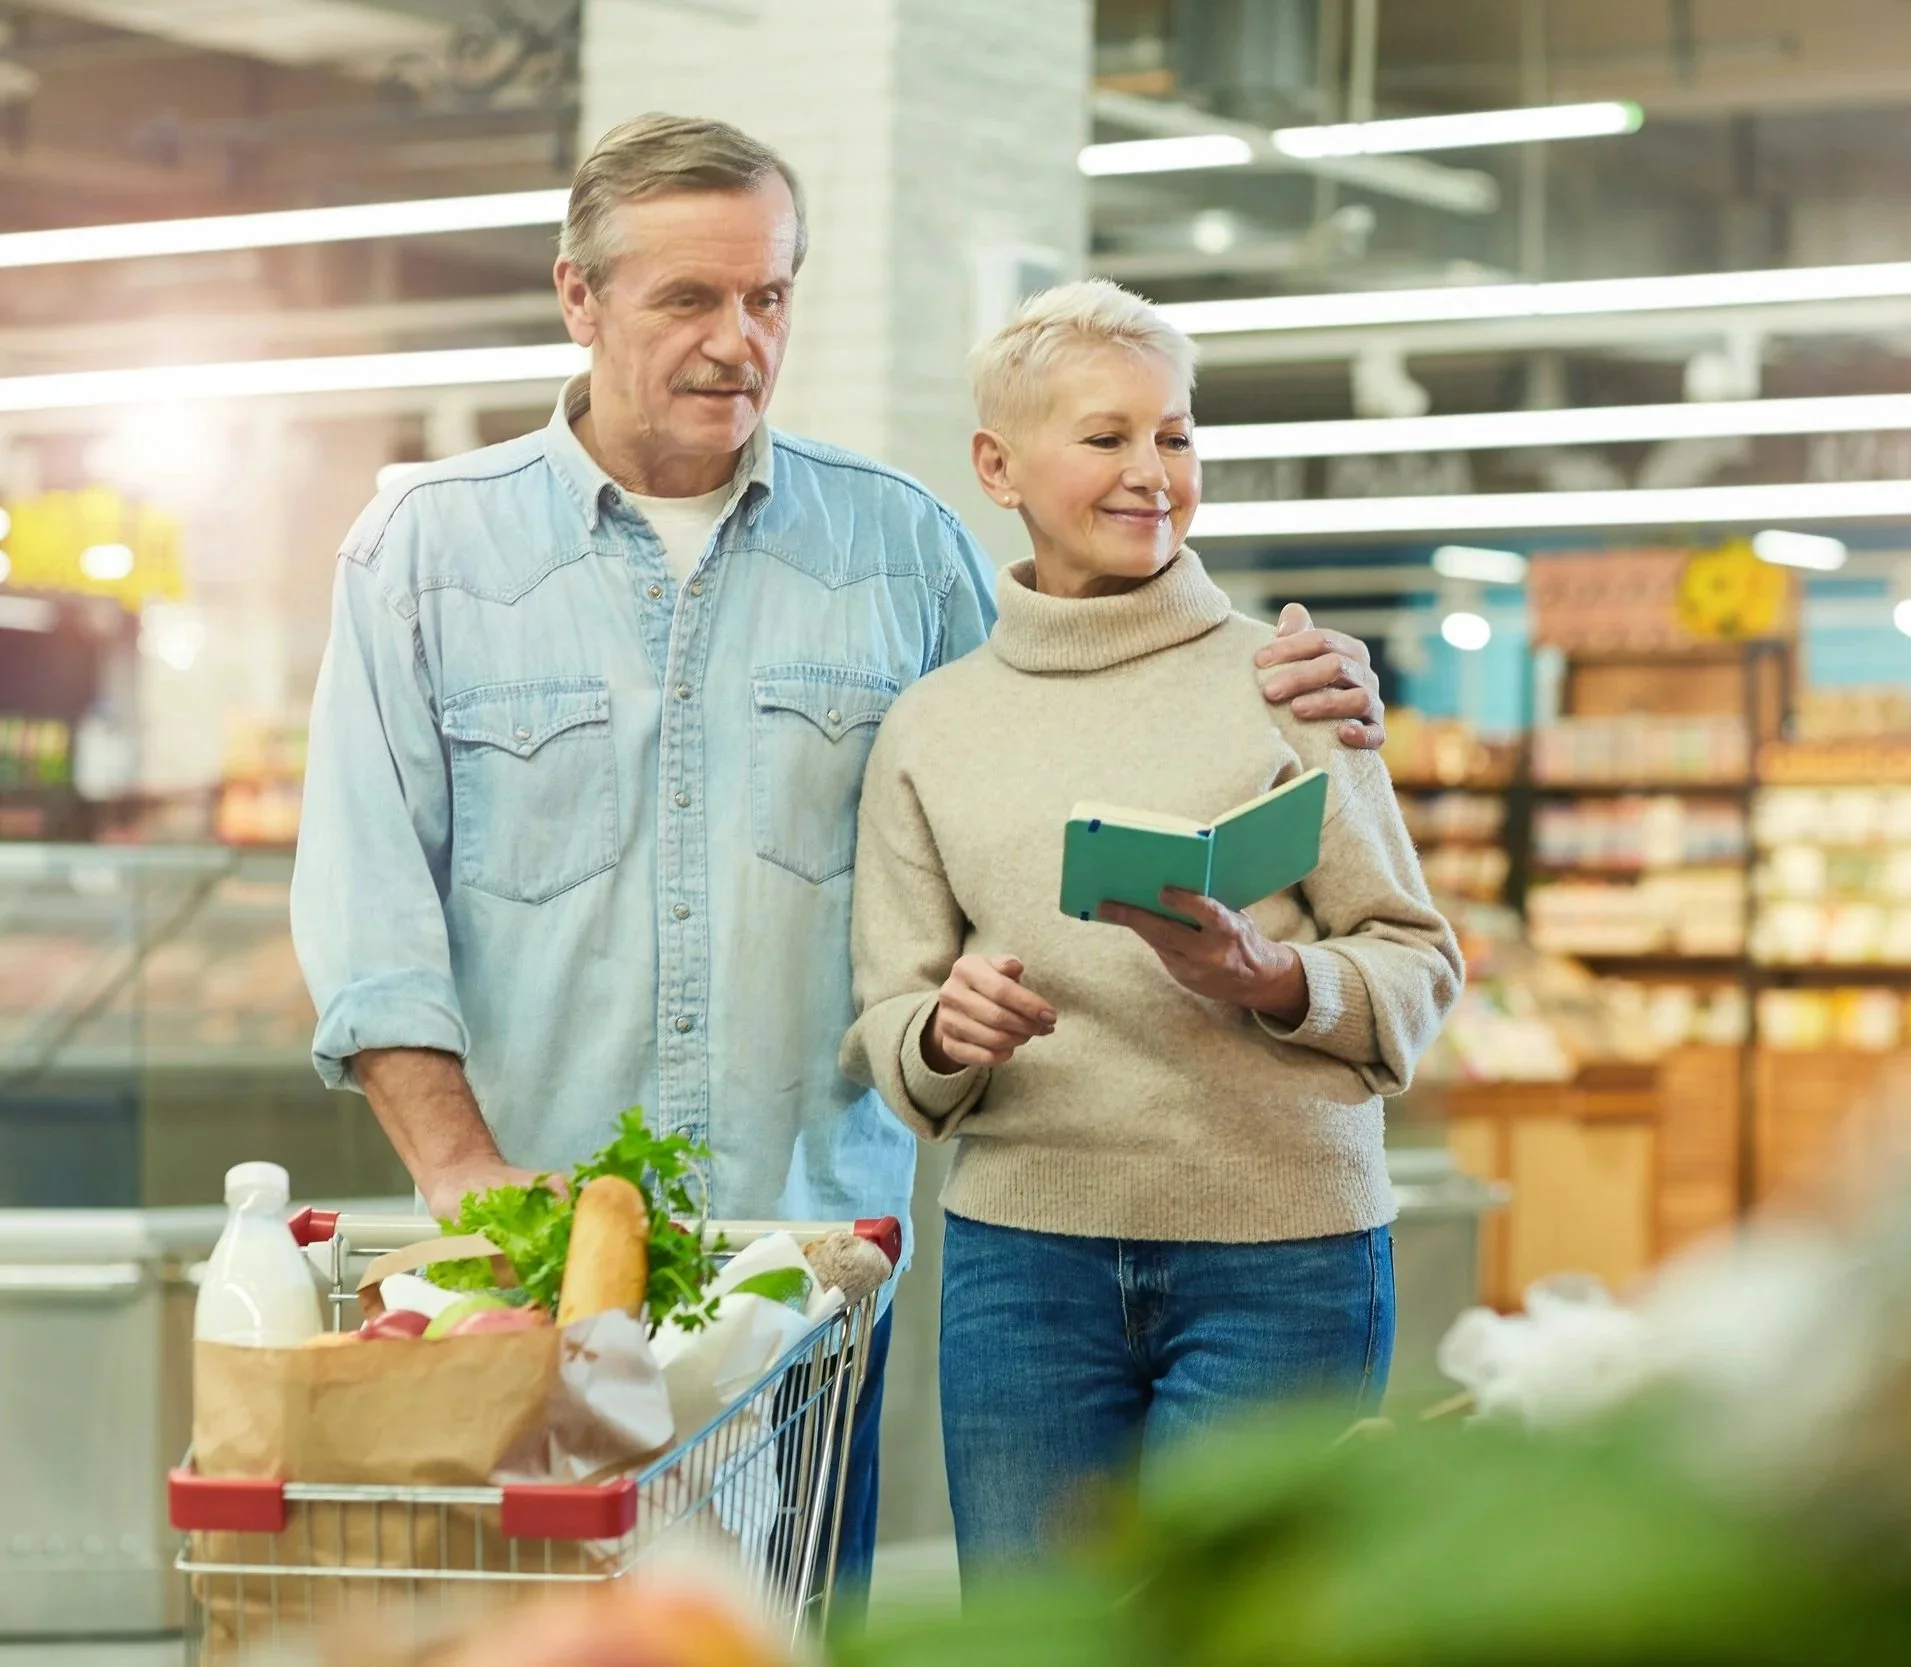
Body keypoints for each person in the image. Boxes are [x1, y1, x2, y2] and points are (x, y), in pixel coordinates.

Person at [289, 116, 1390, 1589]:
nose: (736, 340)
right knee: (521, 1627)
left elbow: (1083, 705)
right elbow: (367, 893)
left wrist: (1300, 686)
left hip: (804, 1265)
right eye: (687, 298)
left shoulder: (900, 550)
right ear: (579, 297)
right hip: (526, 1254)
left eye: (769, 297)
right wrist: (464, 1169)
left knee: (787, 1622)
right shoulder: (425, 552)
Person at [840, 280, 1463, 1578]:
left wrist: (1269, 974)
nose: (1151, 474)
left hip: (1282, 1260)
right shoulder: (932, 727)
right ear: (996, 465)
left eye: (1174, 436)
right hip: (1025, 1265)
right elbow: (888, 1015)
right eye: (1106, 436)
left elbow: (1414, 954)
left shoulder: (1289, 682)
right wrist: (945, 1030)